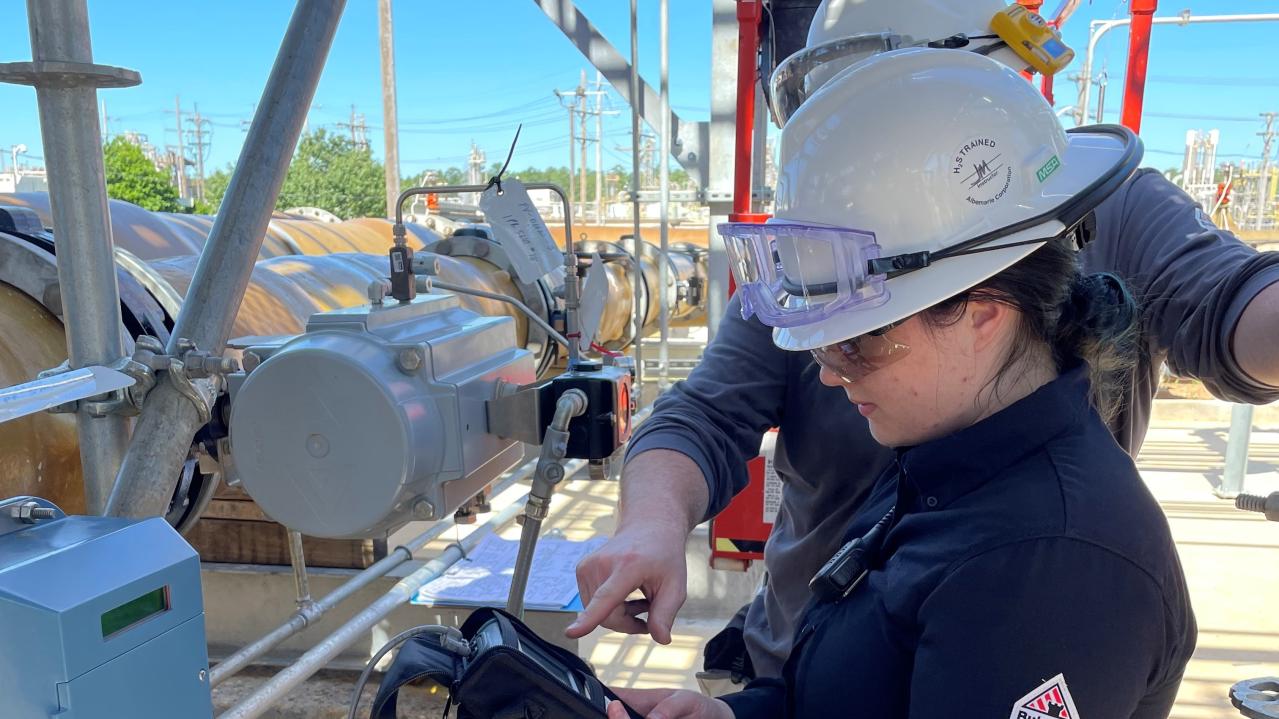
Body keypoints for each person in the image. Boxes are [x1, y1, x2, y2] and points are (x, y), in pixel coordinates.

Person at [571, 0, 1279, 685]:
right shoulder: (923, 437)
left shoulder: (1056, 548)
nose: (829, 371)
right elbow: (704, 413)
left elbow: (1234, 307)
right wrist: (651, 526)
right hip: (806, 661)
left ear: (985, 309)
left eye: (863, 339)